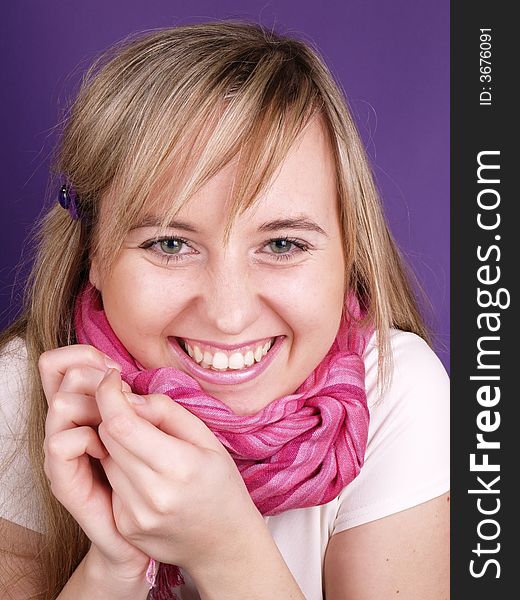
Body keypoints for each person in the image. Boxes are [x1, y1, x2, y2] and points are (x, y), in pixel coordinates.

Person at [0, 21, 449, 600]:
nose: (229, 315)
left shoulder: (396, 391)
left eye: (283, 245)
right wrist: (114, 565)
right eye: (170, 244)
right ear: (94, 254)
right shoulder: (25, 392)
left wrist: (224, 548)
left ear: (349, 250)